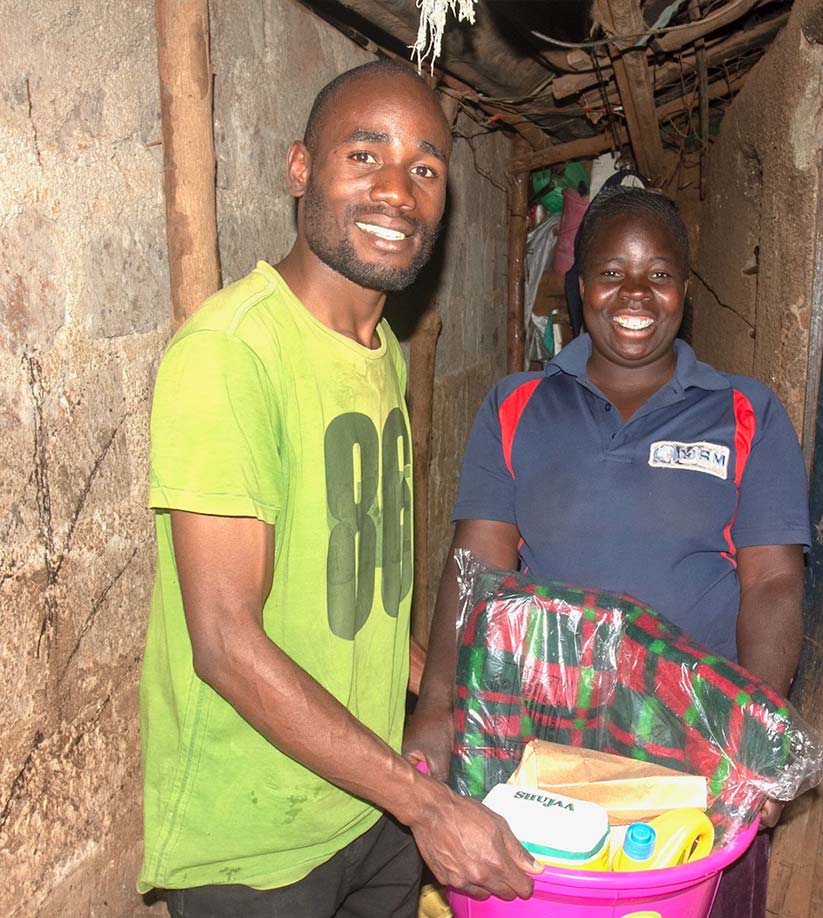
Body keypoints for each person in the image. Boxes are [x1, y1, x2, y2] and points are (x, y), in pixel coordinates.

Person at [139, 59, 539, 918]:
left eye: (425, 169)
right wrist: (429, 805)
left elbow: (351, 595)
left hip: (370, 807)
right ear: (299, 169)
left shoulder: (382, 352)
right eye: (364, 155)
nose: (396, 190)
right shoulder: (232, 354)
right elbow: (224, 642)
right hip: (258, 844)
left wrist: (455, 693)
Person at [406, 186, 810, 918]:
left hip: (693, 757)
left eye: (657, 274)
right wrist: (437, 708)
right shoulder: (516, 404)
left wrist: (754, 743)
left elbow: (775, 584)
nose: (634, 293)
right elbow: (475, 573)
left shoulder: (746, 412)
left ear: (685, 293)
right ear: (579, 287)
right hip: (541, 754)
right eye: (611, 272)